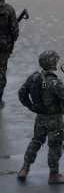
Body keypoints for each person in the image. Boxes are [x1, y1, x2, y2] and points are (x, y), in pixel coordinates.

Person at [17, 50, 64, 184]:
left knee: (36, 141)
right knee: (55, 145)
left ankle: (24, 169)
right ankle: (54, 175)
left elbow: (22, 93)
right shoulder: (54, 82)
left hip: (40, 118)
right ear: (52, 62)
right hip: (55, 120)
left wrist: (31, 107)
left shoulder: (34, 77)